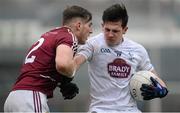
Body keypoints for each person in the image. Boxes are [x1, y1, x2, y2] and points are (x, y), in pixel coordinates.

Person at [74, 3, 168, 113]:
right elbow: (74, 64)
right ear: (102, 26)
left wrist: (163, 90)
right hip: (101, 110)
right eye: (107, 29)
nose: (110, 34)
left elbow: (156, 79)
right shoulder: (92, 45)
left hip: (130, 110)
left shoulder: (138, 50)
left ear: (125, 30)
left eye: (115, 31)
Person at [4, 5, 92, 112]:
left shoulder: (49, 34)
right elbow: (63, 65)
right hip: (31, 97)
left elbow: (42, 67)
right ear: (79, 25)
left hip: (14, 97)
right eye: (89, 25)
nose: (91, 30)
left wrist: (62, 82)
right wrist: (71, 72)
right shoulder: (68, 36)